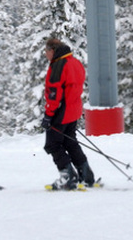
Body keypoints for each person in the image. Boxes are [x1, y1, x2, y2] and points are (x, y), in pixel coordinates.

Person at [40, 37, 95, 190]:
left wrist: (49, 114)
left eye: (46, 51)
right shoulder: (74, 62)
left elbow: (54, 92)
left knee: (53, 144)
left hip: (61, 111)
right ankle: (86, 175)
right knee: (70, 141)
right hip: (74, 108)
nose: (45, 54)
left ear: (53, 50)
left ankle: (67, 176)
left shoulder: (58, 65)